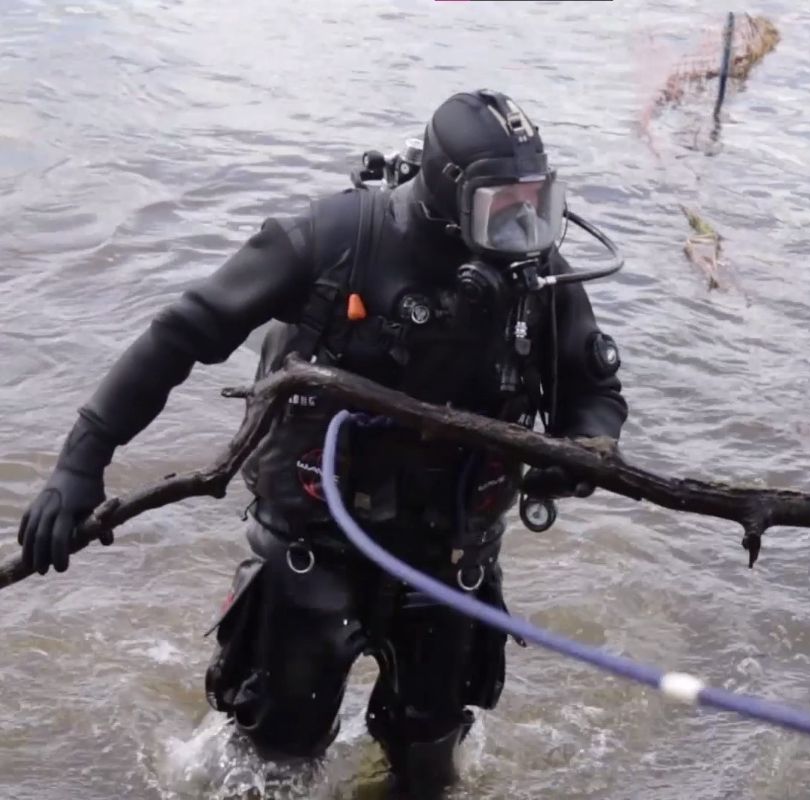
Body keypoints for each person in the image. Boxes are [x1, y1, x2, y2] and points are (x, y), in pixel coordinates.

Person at [16, 89, 628, 794]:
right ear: (447, 194)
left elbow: (594, 393)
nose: (524, 226)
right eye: (504, 204)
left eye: (537, 202)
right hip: (314, 546)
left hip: (454, 555)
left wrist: (585, 452)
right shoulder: (332, 240)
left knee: (431, 766)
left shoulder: (538, 276)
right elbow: (180, 334)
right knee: (272, 766)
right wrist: (79, 464)